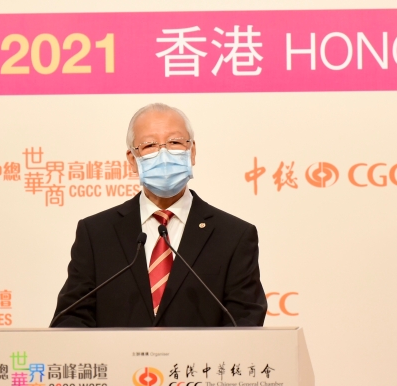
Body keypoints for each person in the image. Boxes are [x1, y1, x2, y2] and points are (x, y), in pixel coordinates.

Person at [51, 103, 267, 327]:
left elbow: (245, 323)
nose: (164, 155)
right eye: (150, 145)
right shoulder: (96, 233)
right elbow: (71, 318)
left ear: (192, 152)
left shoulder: (234, 236)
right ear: (132, 160)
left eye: (175, 142)